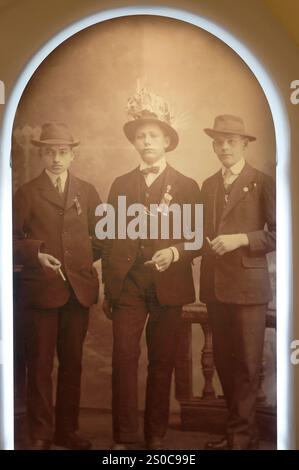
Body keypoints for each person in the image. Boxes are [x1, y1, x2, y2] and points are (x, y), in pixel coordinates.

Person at [102, 88, 201, 450]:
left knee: (162, 361)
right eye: (140, 135)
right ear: (135, 142)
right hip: (128, 285)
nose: (146, 141)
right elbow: (110, 238)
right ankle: (124, 437)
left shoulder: (187, 186)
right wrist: (108, 286)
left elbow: (198, 238)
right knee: (124, 359)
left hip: (168, 286)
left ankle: (155, 434)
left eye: (153, 135)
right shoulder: (120, 185)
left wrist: (174, 252)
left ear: (166, 141)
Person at [13, 122, 103, 450]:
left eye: (63, 152)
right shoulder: (26, 192)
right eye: (49, 151)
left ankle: (67, 431)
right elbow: (8, 238)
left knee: (72, 363)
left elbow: (102, 235)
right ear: (41, 154)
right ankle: (40, 434)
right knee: (39, 364)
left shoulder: (88, 191)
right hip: (40, 290)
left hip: (78, 291)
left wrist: (88, 264)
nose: (56, 158)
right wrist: (36, 254)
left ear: (73, 155)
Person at [199, 115, 276, 450]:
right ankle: (239, 432)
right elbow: (200, 232)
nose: (224, 147)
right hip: (216, 286)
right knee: (225, 362)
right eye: (219, 141)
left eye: (231, 141)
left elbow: (279, 232)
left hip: (248, 289)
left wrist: (241, 238)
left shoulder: (262, 182)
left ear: (245, 144)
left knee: (246, 363)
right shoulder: (208, 185)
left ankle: (241, 437)